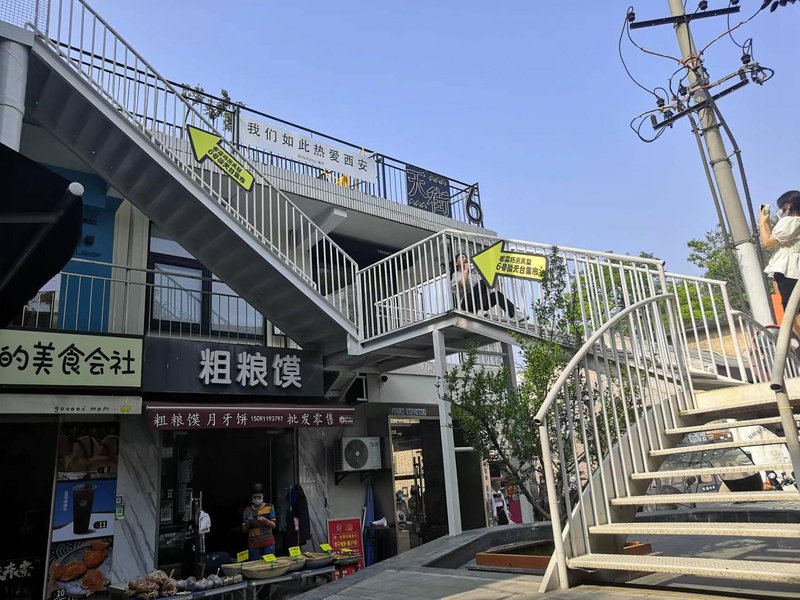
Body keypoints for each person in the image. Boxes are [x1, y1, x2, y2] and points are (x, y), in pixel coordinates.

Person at [760, 190, 800, 337]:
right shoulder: (793, 223)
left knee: (793, 311)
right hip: (791, 270)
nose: (780, 211)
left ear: (788, 206)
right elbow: (775, 239)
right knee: (792, 311)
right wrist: (766, 222)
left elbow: (767, 242)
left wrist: (762, 221)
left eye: (781, 207)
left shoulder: (792, 221)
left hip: (790, 272)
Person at [450, 253, 526, 324]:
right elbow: (462, 284)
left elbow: (486, 284)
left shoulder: (474, 274)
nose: (464, 258)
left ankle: (515, 314)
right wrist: (466, 270)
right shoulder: (456, 274)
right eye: (461, 257)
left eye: (465, 257)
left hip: (481, 302)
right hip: (467, 303)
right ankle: (480, 310)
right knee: (482, 282)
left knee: (496, 294)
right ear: (456, 263)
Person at [242, 483, 276, 559]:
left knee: (269, 564)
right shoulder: (247, 510)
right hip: (254, 545)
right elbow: (244, 530)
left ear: (263, 496)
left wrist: (265, 520)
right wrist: (249, 522)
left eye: (259, 497)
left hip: (268, 544)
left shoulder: (269, 507)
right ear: (252, 497)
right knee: (255, 565)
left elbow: (273, 525)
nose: (257, 499)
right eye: (255, 497)